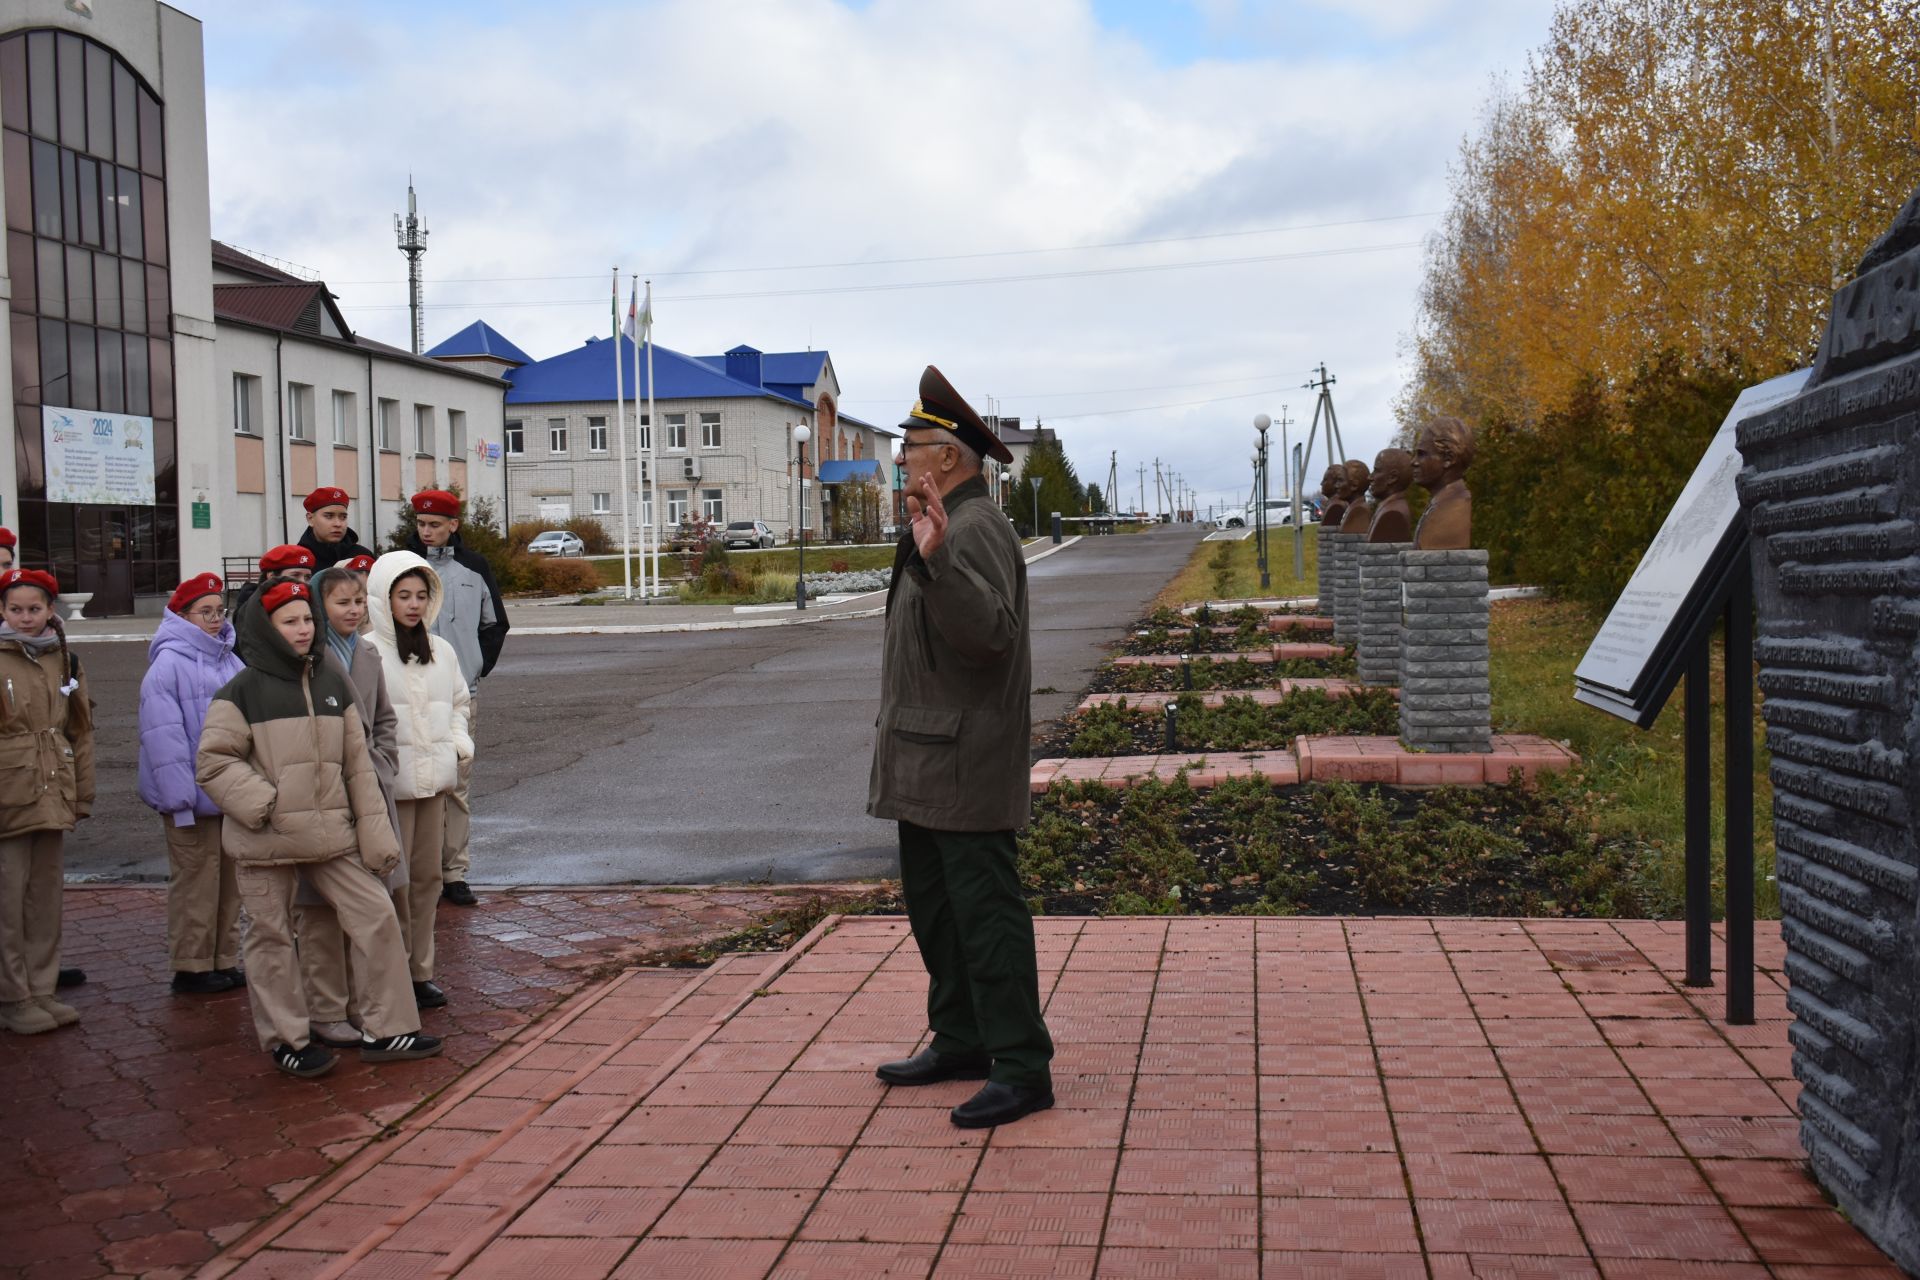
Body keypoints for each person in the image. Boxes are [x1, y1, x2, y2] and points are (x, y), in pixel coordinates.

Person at [868, 366, 1054, 1129]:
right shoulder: (942, 519)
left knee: (985, 915)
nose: (901, 455)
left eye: (910, 444)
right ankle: (962, 1037)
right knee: (939, 911)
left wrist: (939, 558)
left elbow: (989, 636)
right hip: (926, 753)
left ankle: (1021, 1065)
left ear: (947, 457)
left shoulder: (973, 528)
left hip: (963, 761)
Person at [195, 580, 440, 1077]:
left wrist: (376, 835)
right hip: (267, 841)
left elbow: (357, 766)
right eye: (290, 621)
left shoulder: (330, 683)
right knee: (272, 938)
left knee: (375, 915)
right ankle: (288, 1039)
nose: (303, 629)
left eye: (307, 619)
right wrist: (266, 805)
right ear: (266, 628)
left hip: (333, 837)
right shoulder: (240, 691)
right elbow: (214, 763)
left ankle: (387, 1029)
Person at [293, 563, 402, 1048]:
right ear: (320, 606)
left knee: (370, 906)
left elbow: (384, 719)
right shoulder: (311, 659)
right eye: (341, 602)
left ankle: (362, 1003)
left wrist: (384, 763)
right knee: (319, 913)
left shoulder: (369, 653)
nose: (353, 611)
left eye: (358, 602)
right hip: (327, 794)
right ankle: (325, 1008)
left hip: (371, 788)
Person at [363, 551, 471, 1011]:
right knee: (394, 885)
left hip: (434, 786)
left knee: (426, 881)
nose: (412, 604)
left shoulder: (441, 650)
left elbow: (460, 703)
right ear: (382, 599)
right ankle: (390, 973)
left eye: (420, 595)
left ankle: (419, 971)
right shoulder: (367, 651)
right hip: (391, 791)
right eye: (402, 595)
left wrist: (459, 746)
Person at [137, 573, 247, 995]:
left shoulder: (230, 661)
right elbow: (163, 740)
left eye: (220, 611)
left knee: (228, 882)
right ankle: (191, 964)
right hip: (188, 798)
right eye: (206, 612)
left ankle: (222, 956)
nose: (216, 619)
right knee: (196, 882)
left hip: (228, 795)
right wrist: (180, 799)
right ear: (182, 616)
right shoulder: (167, 666)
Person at [0, 568, 94, 1035]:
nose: (24, 618)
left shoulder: (64, 658)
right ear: (2, 611)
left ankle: (41, 990)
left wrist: (82, 791)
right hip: (8, 793)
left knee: (44, 899)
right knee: (8, 901)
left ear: (50, 610)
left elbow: (80, 728)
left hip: (50, 788)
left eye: (34, 609)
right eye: (15, 609)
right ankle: (12, 997)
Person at [404, 491, 507, 909]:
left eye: (434, 523)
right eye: (421, 523)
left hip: (460, 696)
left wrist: (474, 667)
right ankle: (417, 872)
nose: (426, 531)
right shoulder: (403, 567)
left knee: (456, 786)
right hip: (409, 695)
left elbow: (495, 623)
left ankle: (454, 873)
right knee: (414, 785)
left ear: (453, 524)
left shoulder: (474, 568)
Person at [297, 487, 375, 570]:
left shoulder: (362, 556)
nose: (338, 524)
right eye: (329, 516)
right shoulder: (298, 558)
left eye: (343, 517)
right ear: (310, 519)